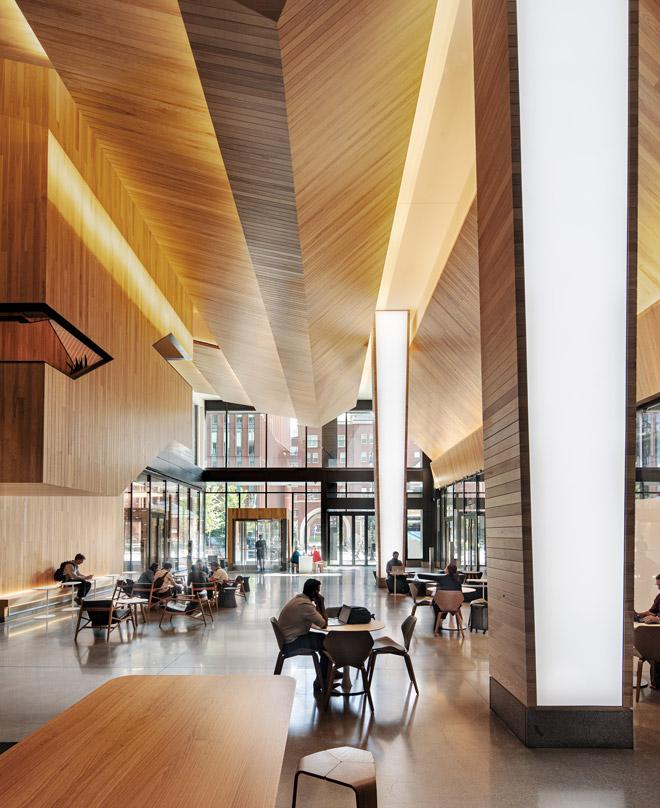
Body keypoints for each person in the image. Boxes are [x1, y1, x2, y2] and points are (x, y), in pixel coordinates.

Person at [277, 579, 328, 690]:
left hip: (289, 638)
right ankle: (322, 681)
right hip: (292, 643)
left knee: (323, 638)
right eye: (318, 591)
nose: (319, 593)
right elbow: (323, 624)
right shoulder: (306, 605)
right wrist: (321, 603)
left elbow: (316, 620)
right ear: (314, 592)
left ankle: (327, 673)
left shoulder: (299, 599)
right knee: (327, 643)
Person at [637, 573, 660, 688]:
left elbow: (654, 616)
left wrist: (656, 619)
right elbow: (651, 612)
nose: (658, 588)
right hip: (657, 637)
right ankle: (656, 681)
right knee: (651, 650)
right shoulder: (659, 597)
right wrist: (637, 614)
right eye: (657, 586)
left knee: (654, 652)